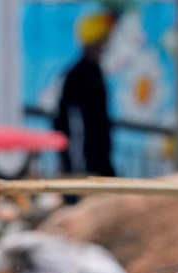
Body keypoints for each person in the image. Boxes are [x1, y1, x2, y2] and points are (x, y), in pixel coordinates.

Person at [53, 12, 117, 177]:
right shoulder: (77, 75)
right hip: (85, 162)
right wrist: (77, 166)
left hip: (98, 156)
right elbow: (71, 123)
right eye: (102, 42)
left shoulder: (95, 71)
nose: (104, 48)